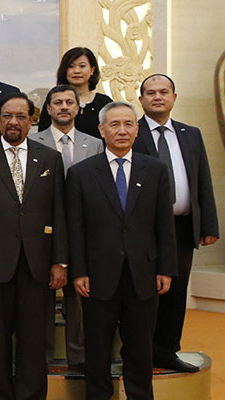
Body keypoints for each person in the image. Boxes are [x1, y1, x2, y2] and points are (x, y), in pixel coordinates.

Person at [67, 101, 176, 399]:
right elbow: (75, 228)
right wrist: (78, 271)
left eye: (128, 124)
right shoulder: (81, 173)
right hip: (97, 277)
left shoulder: (155, 170)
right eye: (114, 125)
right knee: (98, 351)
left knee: (141, 350)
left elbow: (164, 224)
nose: (122, 130)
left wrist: (166, 268)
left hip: (144, 275)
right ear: (101, 130)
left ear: (137, 129)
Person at [0, 93, 68, 399]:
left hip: (37, 265)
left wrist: (60, 261)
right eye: (7, 116)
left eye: (21, 116)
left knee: (34, 340)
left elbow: (58, 213)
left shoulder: (49, 158)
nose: (14, 122)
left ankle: (31, 394)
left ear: (32, 121)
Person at [134, 74, 219, 373]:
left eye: (164, 92)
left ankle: (167, 350)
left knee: (177, 291)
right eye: (151, 92)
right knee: (144, 292)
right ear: (141, 99)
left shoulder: (190, 134)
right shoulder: (132, 132)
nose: (157, 97)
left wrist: (208, 225)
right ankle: (141, 352)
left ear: (174, 97)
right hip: (142, 230)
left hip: (181, 228)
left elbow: (202, 180)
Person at [28, 85, 104, 371]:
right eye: (56, 102)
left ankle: (79, 358)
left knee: (78, 296)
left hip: (83, 231)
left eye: (69, 102)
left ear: (78, 108)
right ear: (47, 109)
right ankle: (44, 356)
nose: (63, 107)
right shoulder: (33, 142)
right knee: (43, 296)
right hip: (42, 231)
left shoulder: (95, 143)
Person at [37, 47, 113, 136]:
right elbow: (43, 136)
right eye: (71, 66)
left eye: (82, 66)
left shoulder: (104, 103)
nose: (77, 71)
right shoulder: (54, 101)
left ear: (92, 70)